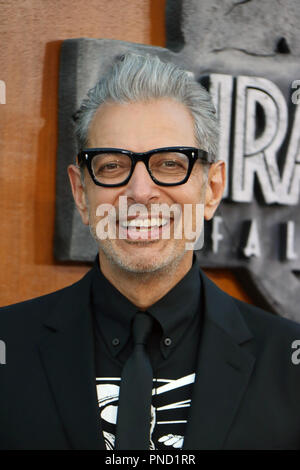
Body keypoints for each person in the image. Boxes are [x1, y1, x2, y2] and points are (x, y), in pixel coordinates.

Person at [1, 52, 300, 451]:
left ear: (211, 189)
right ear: (80, 193)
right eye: (110, 166)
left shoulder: (287, 364)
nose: (140, 193)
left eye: (170, 164)